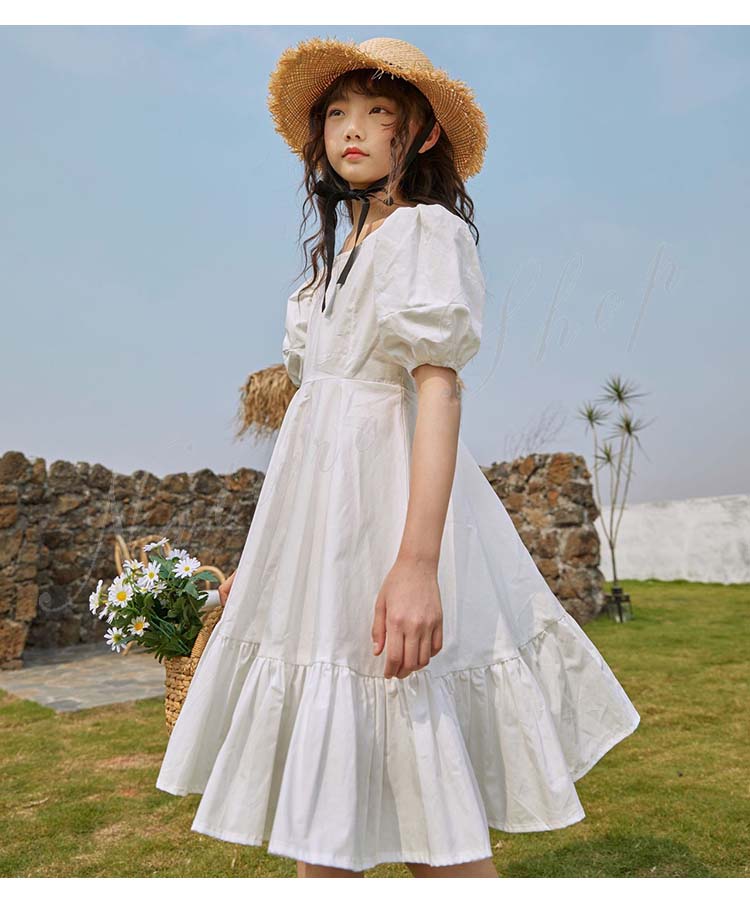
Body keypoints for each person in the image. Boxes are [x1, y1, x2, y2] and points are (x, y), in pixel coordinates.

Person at [155, 36, 640, 879]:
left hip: (389, 525)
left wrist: (417, 565)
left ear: (420, 135)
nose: (353, 129)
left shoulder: (424, 233)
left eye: (379, 112)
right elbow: (311, 442)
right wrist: (262, 568)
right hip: (325, 546)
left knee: (432, 823)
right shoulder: (324, 274)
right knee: (319, 828)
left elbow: (438, 394)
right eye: (338, 113)